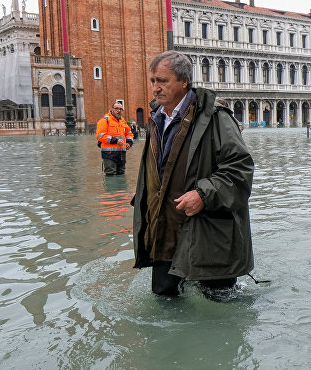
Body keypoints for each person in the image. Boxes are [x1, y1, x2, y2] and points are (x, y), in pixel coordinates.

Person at [131, 50, 255, 297]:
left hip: (208, 234)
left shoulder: (217, 118)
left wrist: (203, 194)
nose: (155, 88)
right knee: (165, 302)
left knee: (219, 308)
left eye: (162, 81)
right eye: (152, 81)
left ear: (184, 81)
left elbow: (240, 169)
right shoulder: (156, 119)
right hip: (164, 230)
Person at [96, 101, 133, 175]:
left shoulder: (123, 121)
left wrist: (129, 142)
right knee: (111, 175)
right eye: (116, 109)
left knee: (121, 174)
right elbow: (100, 136)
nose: (118, 111)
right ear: (112, 109)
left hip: (122, 154)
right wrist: (115, 140)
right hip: (109, 154)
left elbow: (129, 133)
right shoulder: (104, 120)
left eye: (120, 109)